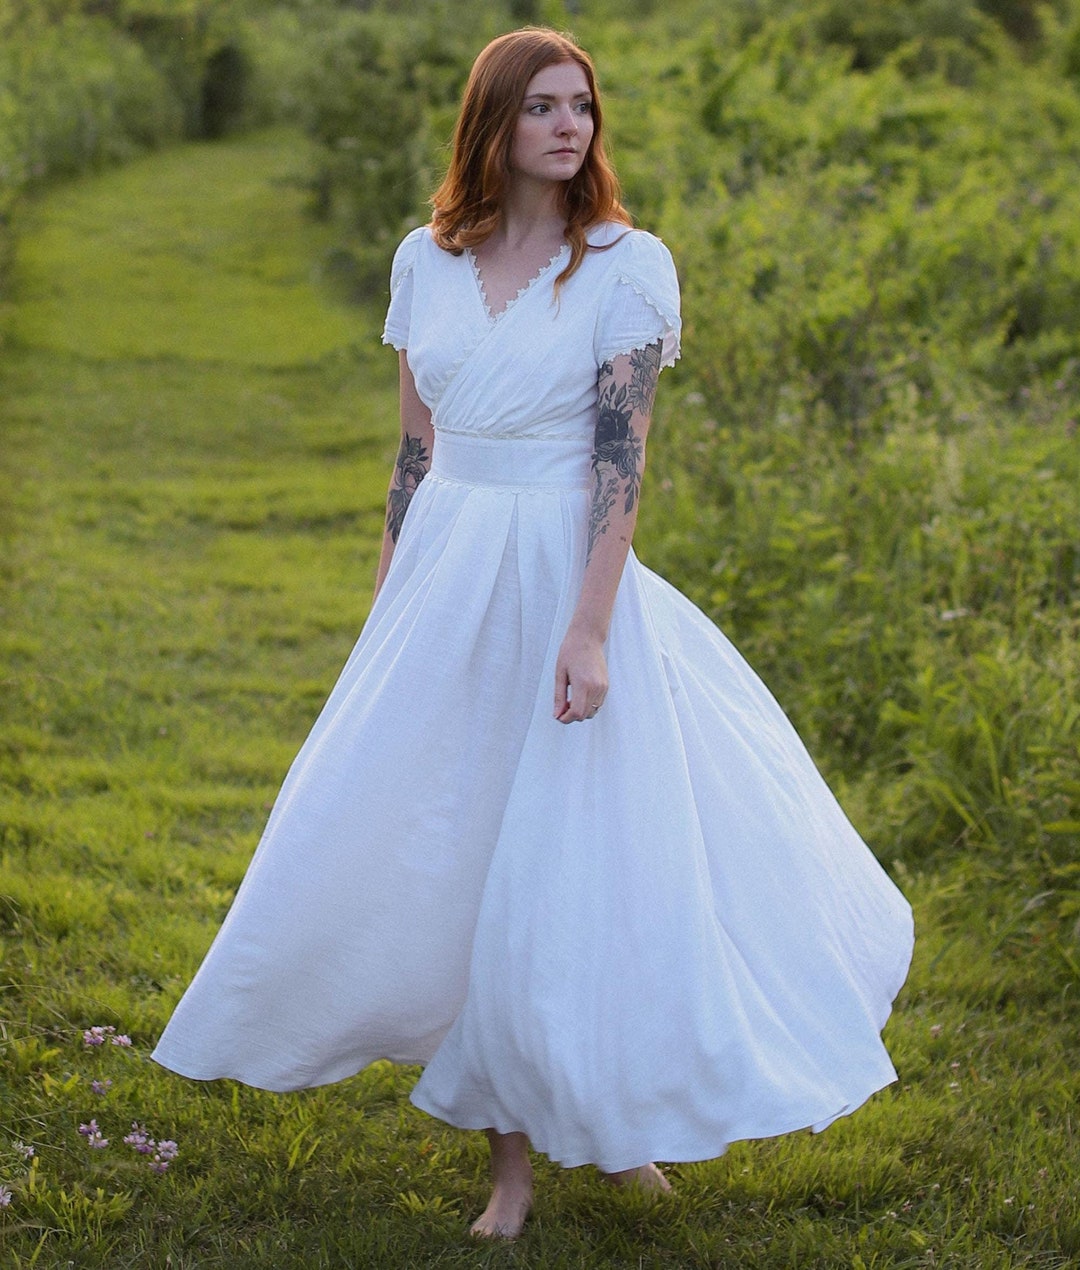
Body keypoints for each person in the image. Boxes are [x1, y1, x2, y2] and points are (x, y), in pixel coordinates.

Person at [152, 27, 913, 1240]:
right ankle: (509, 1163)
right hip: (449, 571)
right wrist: (390, 597)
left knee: (576, 856)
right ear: (493, 125)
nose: (573, 127)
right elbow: (414, 448)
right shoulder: (426, 260)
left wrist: (591, 629)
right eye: (545, 107)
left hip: (562, 572)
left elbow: (622, 457)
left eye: (584, 107)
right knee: (459, 851)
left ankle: (612, 1121)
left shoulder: (624, 264)